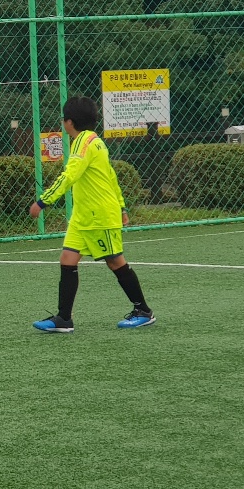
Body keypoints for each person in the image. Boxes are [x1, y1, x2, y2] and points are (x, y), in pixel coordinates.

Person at [27, 97, 155, 333]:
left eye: (63, 120)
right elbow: (111, 176)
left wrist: (43, 201)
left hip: (99, 216)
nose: (63, 124)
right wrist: (122, 206)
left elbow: (70, 175)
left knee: (115, 261)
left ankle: (143, 310)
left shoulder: (84, 143)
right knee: (67, 258)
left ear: (70, 122)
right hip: (83, 217)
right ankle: (64, 318)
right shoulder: (94, 141)